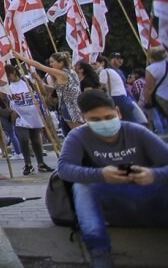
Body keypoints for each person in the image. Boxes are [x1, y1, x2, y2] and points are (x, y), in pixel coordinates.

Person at [58, 89, 168, 268]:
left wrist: (153, 175)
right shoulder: (78, 136)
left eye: (109, 117)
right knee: (83, 187)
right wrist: (101, 175)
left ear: (118, 112)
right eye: (95, 120)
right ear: (83, 117)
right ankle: (99, 253)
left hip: (150, 195)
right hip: (114, 201)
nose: (104, 123)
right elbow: (64, 169)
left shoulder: (136, 132)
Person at [0, 64, 54, 175]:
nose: (8, 77)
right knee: (23, 139)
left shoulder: (27, 80)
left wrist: (37, 79)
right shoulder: (6, 86)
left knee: (36, 140)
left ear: (14, 73)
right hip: (20, 116)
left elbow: (42, 91)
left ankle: (41, 163)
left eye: (8, 75)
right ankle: (28, 164)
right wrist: (10, 112)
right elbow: (1, 101)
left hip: (34, 115)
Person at [13, 51, 85, 130]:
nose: (50, 64)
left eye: (52, 62)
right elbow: (63, 89)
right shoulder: (72, 72)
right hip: (76, 104)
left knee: (77, 131)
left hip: (69, 106)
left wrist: (20, 57)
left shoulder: (61, 73)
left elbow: (39, 66)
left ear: (61, 63)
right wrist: (43, 85)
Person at [95, 56, 146, 124]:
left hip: (117, 98)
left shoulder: (104, 72)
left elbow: (99, 88)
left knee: (127, 122)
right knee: (129, 122)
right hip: (122, 98)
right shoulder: (111, 71)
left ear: (102, 63)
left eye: (94, 64)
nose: (92, 66)